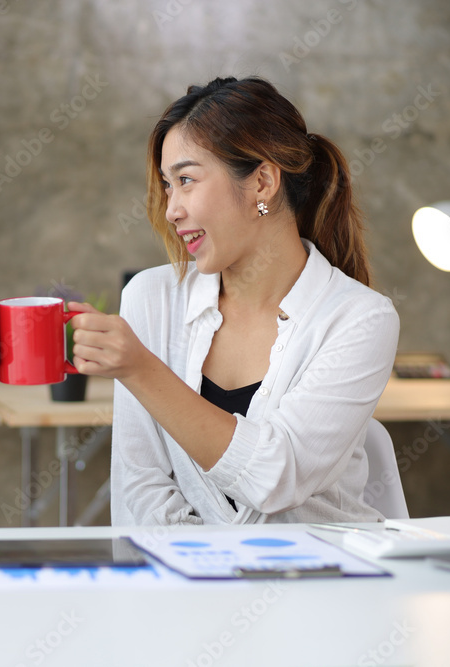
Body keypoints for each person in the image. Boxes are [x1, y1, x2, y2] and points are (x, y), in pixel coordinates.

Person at [68, 77, 399, 526]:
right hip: (187, 585)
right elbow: (141, 488)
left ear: (262, 181)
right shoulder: (149, 299)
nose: (171, 209)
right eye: (168, 185)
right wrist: (207, 581)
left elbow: (277, 477)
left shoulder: (360, 319)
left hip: (323, 582)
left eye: (186, 180)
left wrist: (140, 368)